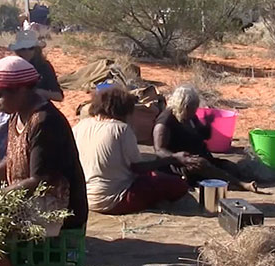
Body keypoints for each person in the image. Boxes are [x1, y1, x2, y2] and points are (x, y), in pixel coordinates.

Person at [0, 56, 87, 266]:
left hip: (58, 205)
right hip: (32, 197)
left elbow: (40, 180)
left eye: (0, 95)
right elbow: (14, 160)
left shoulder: (46, 122)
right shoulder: (16, 116)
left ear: (22, 90)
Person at [73, 86, 193, 215]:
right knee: (178, 185)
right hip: (115, 200)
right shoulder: (120, 129)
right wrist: (174, 158)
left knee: (153, 176)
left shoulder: (80, 126)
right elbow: (138, 168)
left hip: (85, 197)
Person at [154, 85, 258, 192]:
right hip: (175, 165)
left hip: (196, 157)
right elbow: (159, 150)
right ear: (184, 106)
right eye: (192, 108)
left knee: (230, 167)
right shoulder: (165, 121)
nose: (194, 112)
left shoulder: (190, 116)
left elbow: (204, 136)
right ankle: (241, 184)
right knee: (203, 165)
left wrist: (208, 124)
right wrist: (179, 158)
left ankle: (229, 182)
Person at [9, 30, 63, 102]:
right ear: (17, 51)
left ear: (36, 49)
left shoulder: (44, 66)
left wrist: (40, 92)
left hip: (41, 106)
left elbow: (59, 96)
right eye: (23, 49)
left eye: (31, 48)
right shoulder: (12, 67)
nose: (27, 52)